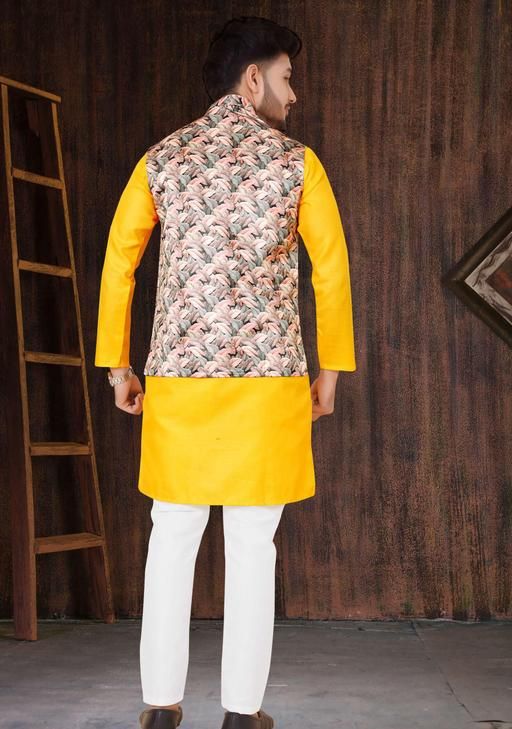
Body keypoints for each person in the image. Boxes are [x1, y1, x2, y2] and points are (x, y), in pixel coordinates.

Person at [94, 15, 356, 729]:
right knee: (252, 545)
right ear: (252, 78)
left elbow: (121, 262)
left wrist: (118, 365)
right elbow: (330, 270)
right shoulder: (297, 164)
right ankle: (243, 713)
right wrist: (331, 370)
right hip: (269, 386)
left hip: (179, 383)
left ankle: (160, 705)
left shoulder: (161, 159)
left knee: (171, 536)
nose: (293, 95)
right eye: (287, 78)